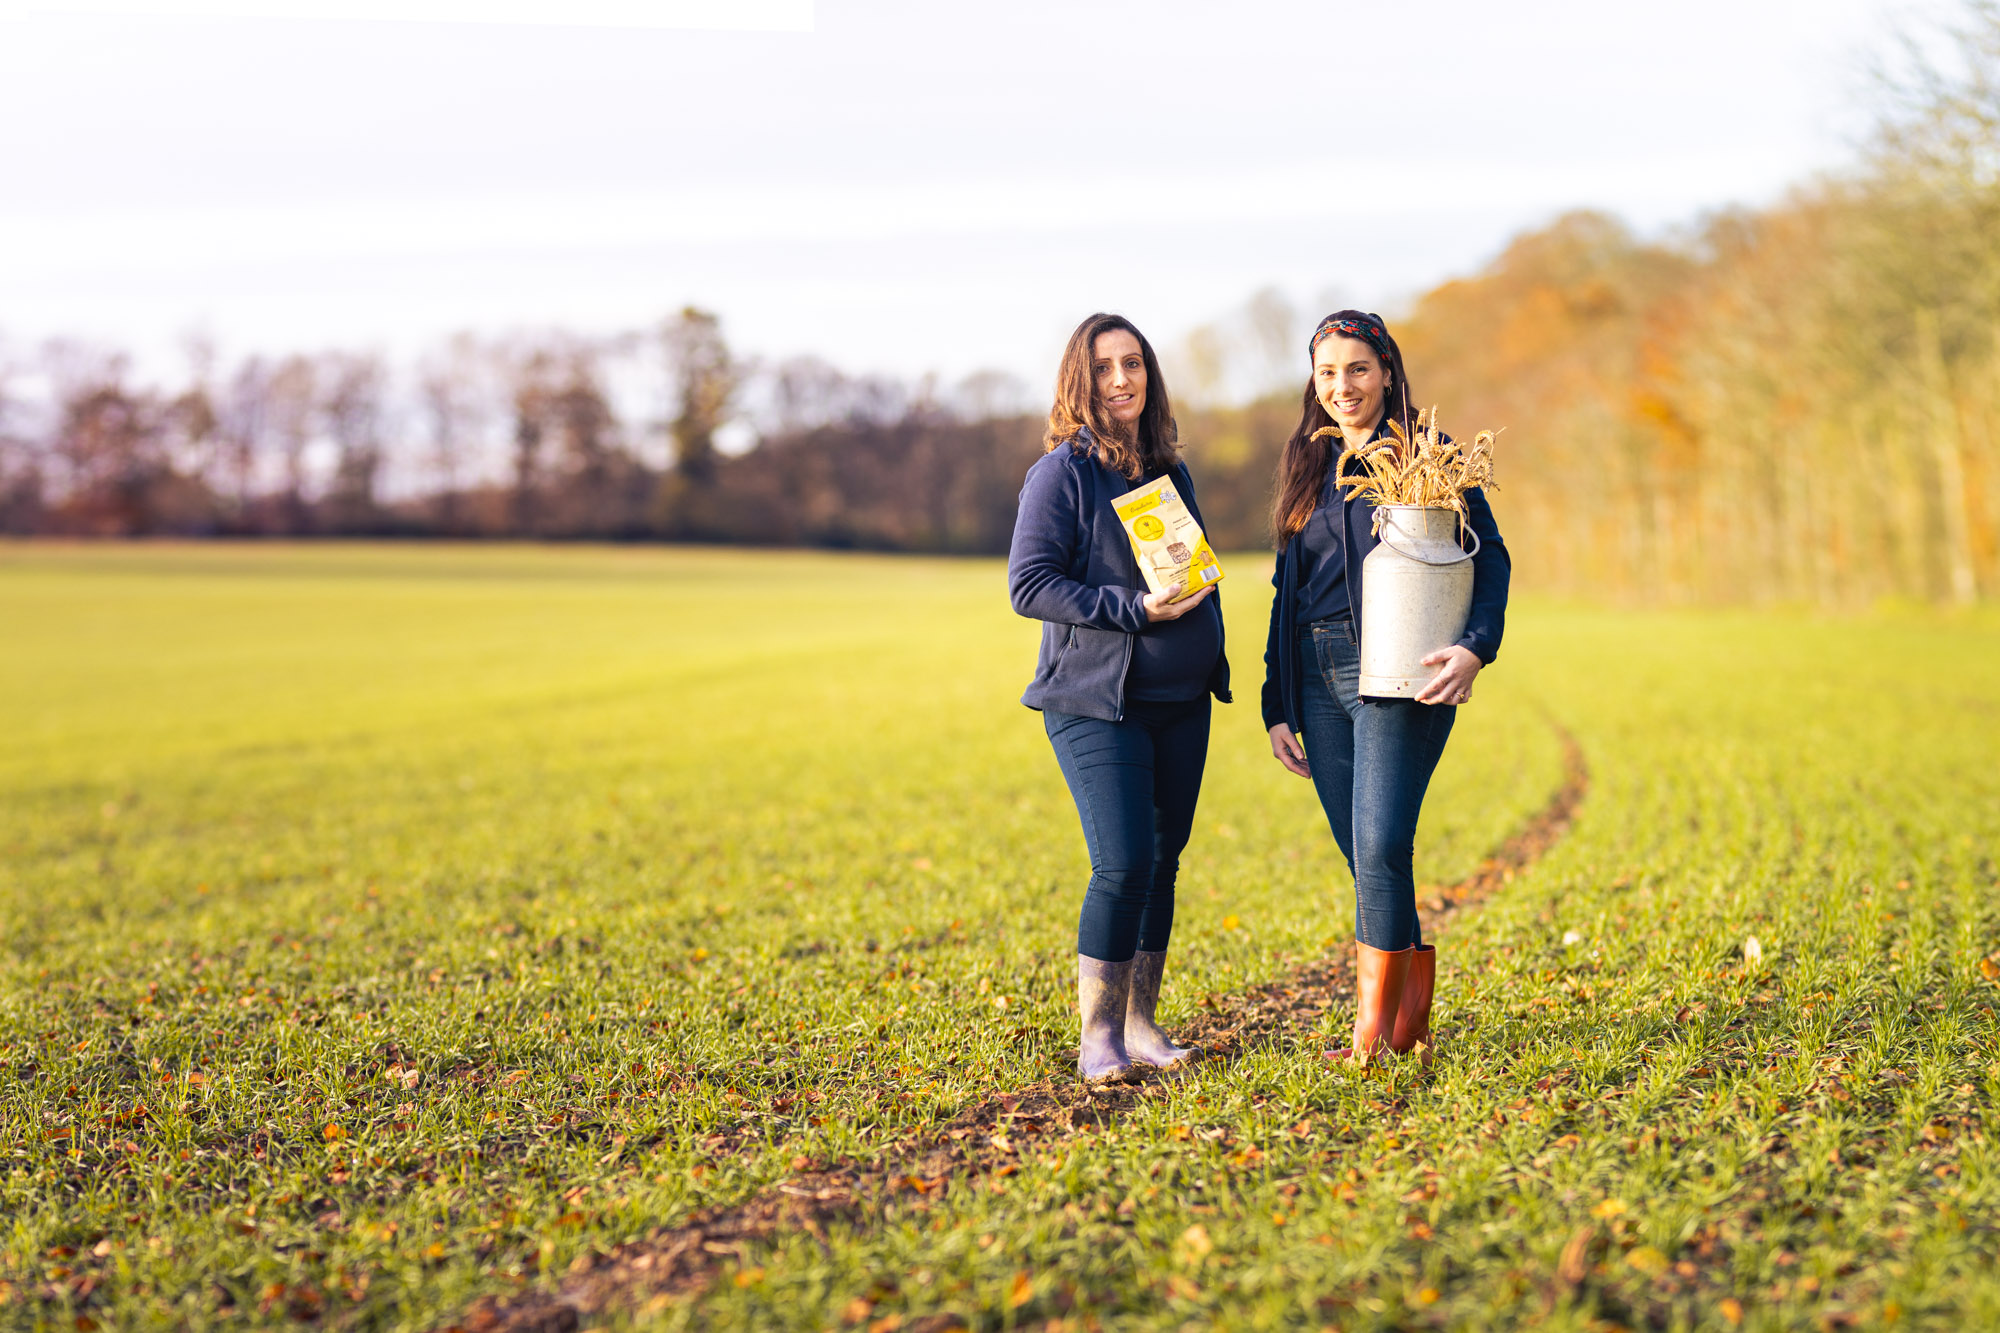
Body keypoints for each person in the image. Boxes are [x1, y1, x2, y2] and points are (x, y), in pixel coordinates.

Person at [1262, 311, 1509, 1065]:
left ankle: (1371, 1038)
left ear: (1389, 372)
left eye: (1359, 369)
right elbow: (1286, 589)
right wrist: (1277, 701)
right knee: (1365, 854)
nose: (1343, 386)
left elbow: (1488, 556)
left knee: (1380, 842)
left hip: (1400, 673)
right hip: (1315, 668)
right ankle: (1408, 1028)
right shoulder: (1308, 462)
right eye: (1328, 372)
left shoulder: (1429, 457)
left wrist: (1475, 648)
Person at [1008, 312, 1231, 1083]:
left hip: (1182, 699)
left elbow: (1191, 568)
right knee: (1124, 862)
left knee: (1165, 862)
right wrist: (1132, 609)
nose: (1122, 379)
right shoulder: (1060, 474)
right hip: (1098, 702)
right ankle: (1097, 1036)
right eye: (1104, 367)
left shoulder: (1169, 470)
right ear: (1080, 379)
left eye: (1133, 364)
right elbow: (1029, 585)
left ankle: (1142, 1024)